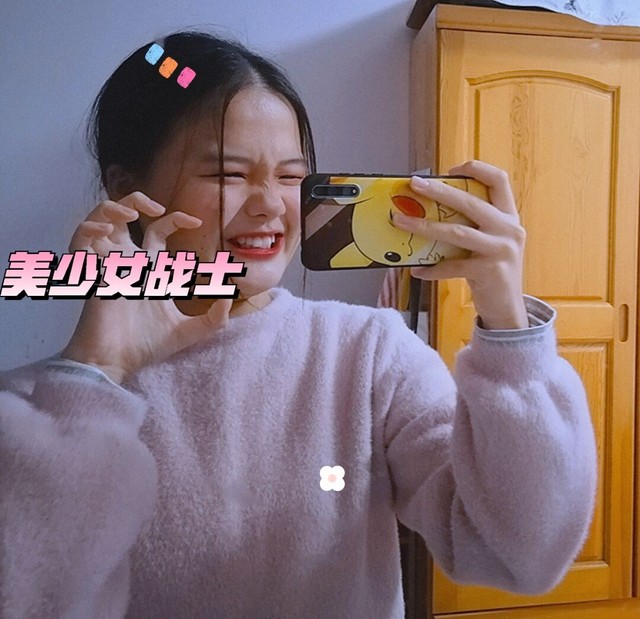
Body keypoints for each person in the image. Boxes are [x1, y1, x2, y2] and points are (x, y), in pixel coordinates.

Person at [0, 31, 596, 619]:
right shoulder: (36, 410)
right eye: (228, 174)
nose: (270, 204)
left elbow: (518, 553)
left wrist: (509, 329)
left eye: (291, 177)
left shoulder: (370, 353)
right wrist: (95, 372)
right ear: (128, 190)